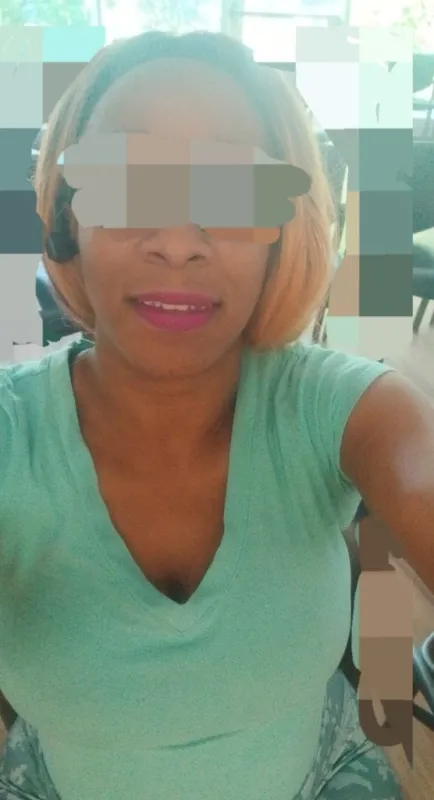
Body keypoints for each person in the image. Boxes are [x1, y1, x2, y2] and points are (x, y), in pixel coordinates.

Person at [1, 28, 434, 800]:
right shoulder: (13, 435)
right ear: (66, 218)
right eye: (128, 181)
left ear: (281, 234)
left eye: (234, 191)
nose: (178, 243)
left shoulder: (346, 408)